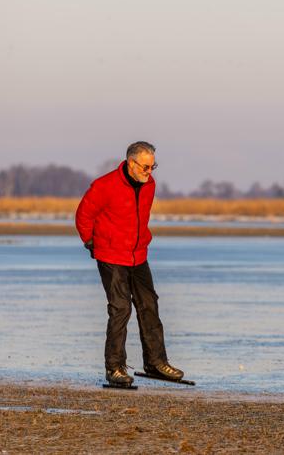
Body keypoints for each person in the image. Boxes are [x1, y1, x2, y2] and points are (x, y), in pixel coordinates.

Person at [75, 141, 184, 387]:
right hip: (111, 255)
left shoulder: (150, 185)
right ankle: (114, 368)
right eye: (145, 166)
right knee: (121, 308)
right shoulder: (105, 185)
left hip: (138, 255)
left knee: (149, 305)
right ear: (131, 163)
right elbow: (83, 215)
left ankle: (156, 363)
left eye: (152, 166)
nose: (150, 171)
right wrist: (92, 242)